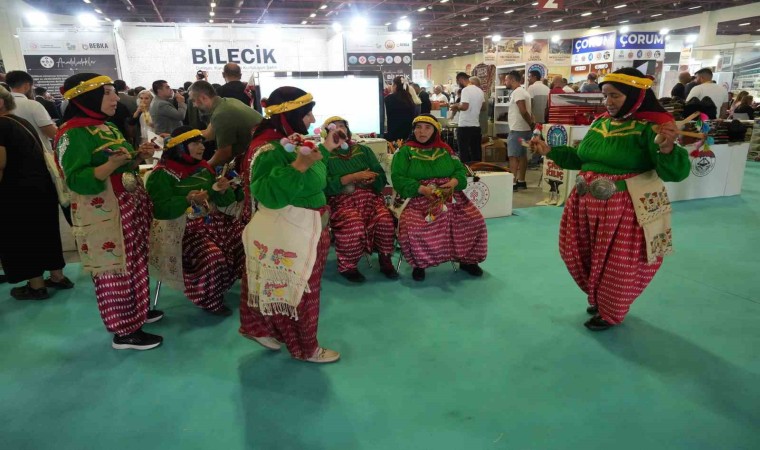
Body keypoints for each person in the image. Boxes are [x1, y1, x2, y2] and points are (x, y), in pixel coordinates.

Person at [529, 68, 690, 331]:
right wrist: (549, 151)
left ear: (636, 96)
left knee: (618, 264)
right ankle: (599, 296)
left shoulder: (653, 127)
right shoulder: (600, 123)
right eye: (605, 96)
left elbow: (675, 173)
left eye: (615, 96)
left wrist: (667, 147)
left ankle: (611, 310)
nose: (608, 102)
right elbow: (581, 158)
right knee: (578, 254)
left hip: (624, 208)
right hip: (584, 204)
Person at [239, 86, 346, 363]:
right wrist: (299, 165)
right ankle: (306, 348)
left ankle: (261, 328)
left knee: (281, 286)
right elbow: (268, 195)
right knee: (302, 293)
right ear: (289, 115)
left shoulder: (288, 141)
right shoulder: (268, 150)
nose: (312, 119)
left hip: (303, 228)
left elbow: (313, 175)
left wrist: (325, 149)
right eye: (307, 113)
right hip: (294, 230)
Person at [56, 73, 163, 350]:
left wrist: (137, 156)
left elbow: (122, 162)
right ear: (86, 97)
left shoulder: (107, 126)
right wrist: (111, 165)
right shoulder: (72, 133)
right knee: (114, 268)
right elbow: (75, 179)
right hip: (104, 210)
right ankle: (124, 331)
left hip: (126, 203)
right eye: (107, 93)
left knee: (134, 261)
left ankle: (138, 310)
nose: (116, 98)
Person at [146, 126, 240, 316]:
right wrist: (186, 199)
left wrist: (223, 190)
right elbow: (159, 210)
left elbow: (223, 201)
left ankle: (222, 286)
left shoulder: (203, 168)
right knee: (212, 257)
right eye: (195, 143)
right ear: (180, 147)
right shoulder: (162, 174)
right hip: (179, 230)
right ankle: (209, 299)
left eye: (201, 143)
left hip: (211, 223)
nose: (202, 147)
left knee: (245, 238)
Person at [391, 114, 487, 282]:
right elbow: (397, 178)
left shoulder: (446, 150)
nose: (422, 131)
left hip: (450, 197)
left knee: (474, 220)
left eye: (427, 128)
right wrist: (421, 189)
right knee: (415, 228)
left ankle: (468, 261)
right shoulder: (404, 151)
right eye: (418, 127)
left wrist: (454, 182)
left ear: (435, 131)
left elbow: (460, 170)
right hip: (417, 198)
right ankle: (420, 264)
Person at [0, 86, 72, 300]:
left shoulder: (1, 125)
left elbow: (1, 164)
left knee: (24, 236)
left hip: (17, 192)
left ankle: (36, 285)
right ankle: (57, 276)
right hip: (41, 186)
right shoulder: (19, 122)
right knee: (47, 232)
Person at [319, 116, 398, 282]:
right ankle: (348, 266)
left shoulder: (363, 150)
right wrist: (352, 177)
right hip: (342, 201)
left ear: (347, 130)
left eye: (342, 126)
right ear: (326, 133)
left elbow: (380, 175)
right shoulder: (323, 155)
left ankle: (385, 259)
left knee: (385, 220)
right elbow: (322, 185)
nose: (339, 130)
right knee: (353, 225)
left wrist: (371, 179)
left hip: (370, 199)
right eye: (334, 127)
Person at [189, 80, 262, 167]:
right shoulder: (226, 102)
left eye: (193, 101)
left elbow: (224, 154)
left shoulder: (221, 114)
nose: (194, 105)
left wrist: (201, 169)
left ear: (203, 98)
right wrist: (182, 137)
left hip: (259, 158)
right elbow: (209, 133)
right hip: (260, 151)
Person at [5, 71, 57, 152]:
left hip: (10, 154)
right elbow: (52, 133)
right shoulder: (33, 105)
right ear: (27, 86)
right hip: (37, 153)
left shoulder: (3, 105)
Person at [505, 70, 534, 191]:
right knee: (522, 156)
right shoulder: (524, 92)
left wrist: (531, 124)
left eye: (506, 80)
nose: (505, 82)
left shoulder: (517, 92)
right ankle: (521, 181)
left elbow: (523, 110)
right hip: (524, 129)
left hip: (517, 130)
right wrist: (530, 125)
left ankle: (512, 183)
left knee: (513, 156)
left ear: (512, 80)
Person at [451, 72, 485, 163]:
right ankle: (477, 170)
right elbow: (483, 107)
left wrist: (456, 106)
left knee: (464, 153)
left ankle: (465, 170)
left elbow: (465, 107)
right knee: (476, 153)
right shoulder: (480, 91)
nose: (459, 84)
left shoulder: (465, 90)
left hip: (465, 126)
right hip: (476, 125)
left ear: (461, 80)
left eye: (458, 82)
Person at [384, 76, 416, 142]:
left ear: (395, 86)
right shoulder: (409, 98)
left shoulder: (389, 98)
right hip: (407, 134)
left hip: (393, 134)